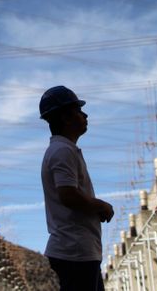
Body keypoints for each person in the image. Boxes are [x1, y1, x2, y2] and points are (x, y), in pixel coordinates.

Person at [39, 85, 114, 291]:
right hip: (75, 251)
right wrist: (101, 205)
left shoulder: (64, 150)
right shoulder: (62, 151)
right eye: (79, 111)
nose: (85, 115)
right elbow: (68, 195)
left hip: (79, 251)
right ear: (66, 117)